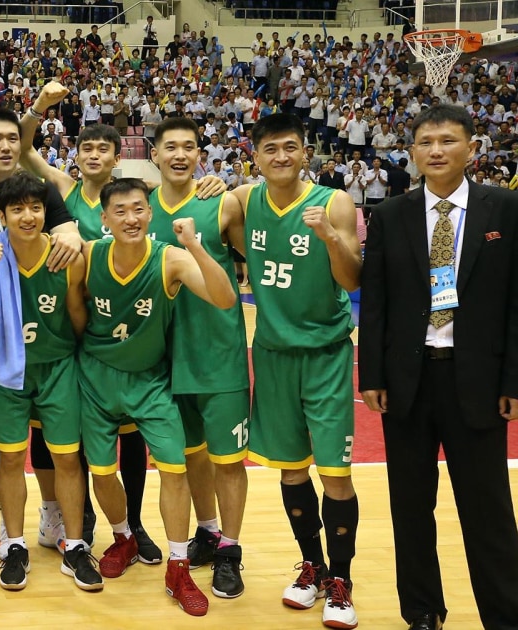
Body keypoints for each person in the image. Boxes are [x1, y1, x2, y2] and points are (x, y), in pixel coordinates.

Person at [360, 103, 518, 630]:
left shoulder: (505, 209)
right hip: (408, 380)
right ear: (412, 153)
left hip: (477, 379)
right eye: (426, 142)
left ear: (473, 148)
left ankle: (505, 614)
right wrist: (373, 377)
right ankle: (423, 612)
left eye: (448, 141)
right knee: (411, 509)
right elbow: (376, 302)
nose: (436, 151)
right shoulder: (390, 215)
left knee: (489, 511)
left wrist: (513, 378)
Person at [78, 176, 238, 616]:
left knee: (174, 469)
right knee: (102, 471)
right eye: (120, 211)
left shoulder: (170, 259)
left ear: (150, 214)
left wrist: (196, 247)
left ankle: (178, 564)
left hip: (150, 381)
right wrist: (64, 229)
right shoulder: (88, 254)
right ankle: (124, 537)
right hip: (95, 379)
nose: (131, 218)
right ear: (104, 217)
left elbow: (225, 299)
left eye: (138, 210)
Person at [230, 113, 362, 630]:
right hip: (272, 351)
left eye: (290, 148)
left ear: (305, 153)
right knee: (290, 469)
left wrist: (331, 238)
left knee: (335, 475)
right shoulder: (243, 201)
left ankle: (342, 581)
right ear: (255, 156)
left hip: (326, 353)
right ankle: (314, 568)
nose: (281, 157)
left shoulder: (334, 202)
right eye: (270, 150)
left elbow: (352, 277)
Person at [0, 172, 101, 593]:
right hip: (5, 368)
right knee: (8, 459)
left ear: (46, 211)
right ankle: (15, 543)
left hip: (57, 367)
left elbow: (77, 316)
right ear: (1, 216)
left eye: (36, 207)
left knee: (67, 458)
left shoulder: (68, 256)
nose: (28, 216)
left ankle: (75, 544)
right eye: (17, 209)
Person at [146, 116, 250, 599]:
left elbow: (256, 261)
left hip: (218, 353)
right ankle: (207, 532)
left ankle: (230, 551)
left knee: (228, 461)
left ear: (199, 155)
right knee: (189, 456)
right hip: (165, 355)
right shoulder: (140, 208)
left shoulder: (222, 202)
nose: (181, 155)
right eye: (171, 147)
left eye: (190, 146)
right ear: (156, 155)